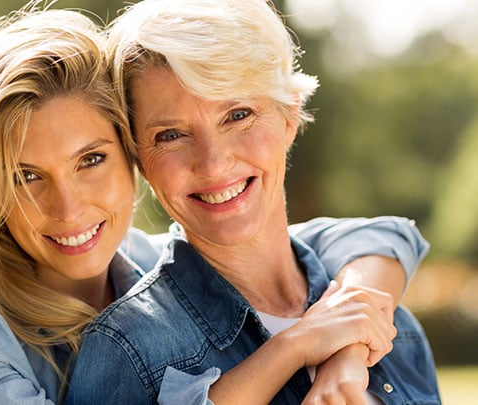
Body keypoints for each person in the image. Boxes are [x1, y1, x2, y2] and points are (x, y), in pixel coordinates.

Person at [0, 2, 431, 404]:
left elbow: (374, 235)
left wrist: (349, 341)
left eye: (90, 159)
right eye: (26, 176)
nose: (69, 208)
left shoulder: (152, 257)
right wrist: (296, 347)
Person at [66, 0, 441, 404]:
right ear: (139, 160)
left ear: (289, 116)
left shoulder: (390, 324)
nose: (212, 164)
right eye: (170, 135)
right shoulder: (126, 349)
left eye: (238, 114)